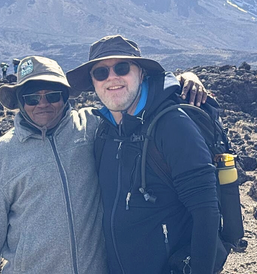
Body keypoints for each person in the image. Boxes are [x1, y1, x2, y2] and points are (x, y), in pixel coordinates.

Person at [0, 55, 207, 274]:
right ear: (19, 101)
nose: (43, 104)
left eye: (52, 96)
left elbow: (134, 103)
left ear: (65, 96)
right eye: (32, 98)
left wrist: (181, 81)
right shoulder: (2, 155)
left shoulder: (93, 127)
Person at [66, 35, 223, 274]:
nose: (112, 78)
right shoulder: (103, 131)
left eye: (122, 68)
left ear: (141, 73)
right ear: (93, 83)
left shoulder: (172, 125)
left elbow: (206, 212)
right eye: (101, 73)